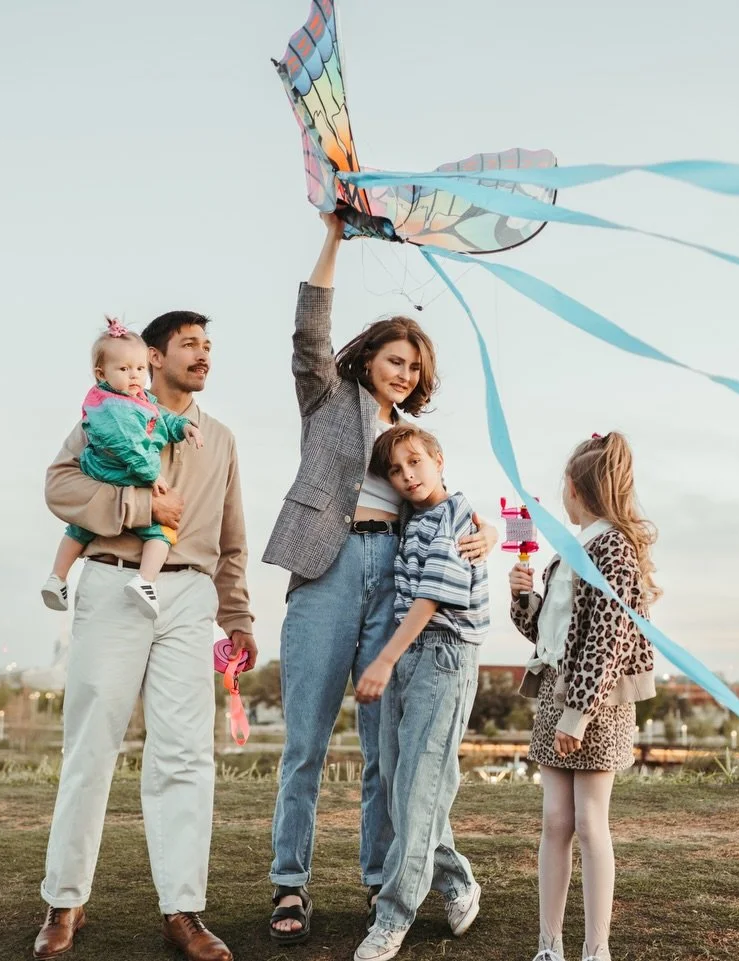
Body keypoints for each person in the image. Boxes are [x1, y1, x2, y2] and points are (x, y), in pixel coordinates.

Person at [262, 211, 497, 943]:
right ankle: (290, 884)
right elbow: (309, 332)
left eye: (414, 366)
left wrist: (480, 529)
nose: (405, 371)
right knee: (304, 740)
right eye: (396, 359)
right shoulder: (329, 398)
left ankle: (376, 877)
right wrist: (335, 236)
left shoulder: (411, 446)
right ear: (369, 358)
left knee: (381, 747)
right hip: (327, 569)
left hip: (392, 582)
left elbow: (442, 506)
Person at [33, 309, 255, 961]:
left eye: (209, 345)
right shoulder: (108, 409)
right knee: (91, 744)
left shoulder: (222, 437)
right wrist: (138, 508)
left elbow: (233, 535)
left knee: (187, 754)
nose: (204, 354)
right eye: (189, 344)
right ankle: (64, 901)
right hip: (111, 580)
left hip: (190, 593)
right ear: (153, 357)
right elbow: (60, 486)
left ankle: (182, 911)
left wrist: (237, 613)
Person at [507, 432, 661, 961]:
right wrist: (522, 595)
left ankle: (597, 951)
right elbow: (548, 635)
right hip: (556, 690)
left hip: (597, 702)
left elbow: (608, 638)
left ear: (574, 489)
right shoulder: (570, 553)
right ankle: (549, 946)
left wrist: (578, 715)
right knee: (555, 821)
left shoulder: (614, 548)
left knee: (591, 823)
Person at [352, 424, 487, 961]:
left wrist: (382, 658)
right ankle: (456, 882)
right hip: (406, 654)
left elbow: (432, 596)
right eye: (396, 470)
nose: (407, 476)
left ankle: (393, 916)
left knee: (418, 787)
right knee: (399, 782)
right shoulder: (411, 516)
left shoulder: (457, 515)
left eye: (415, 463)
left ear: (438, 458)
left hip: (442, 654)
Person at [41, 317, 203, 620]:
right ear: (101, 374)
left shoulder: (136, 400)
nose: (134, 376)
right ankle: (145, 581)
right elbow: (131, 447)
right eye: (125, 369)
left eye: (139, 369)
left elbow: (162, 417)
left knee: (79, 529)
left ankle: (57, 578)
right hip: (118, 472)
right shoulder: (114, 409)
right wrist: (151, 476)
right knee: (161, 532)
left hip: (108, 471)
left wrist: (183, 427)